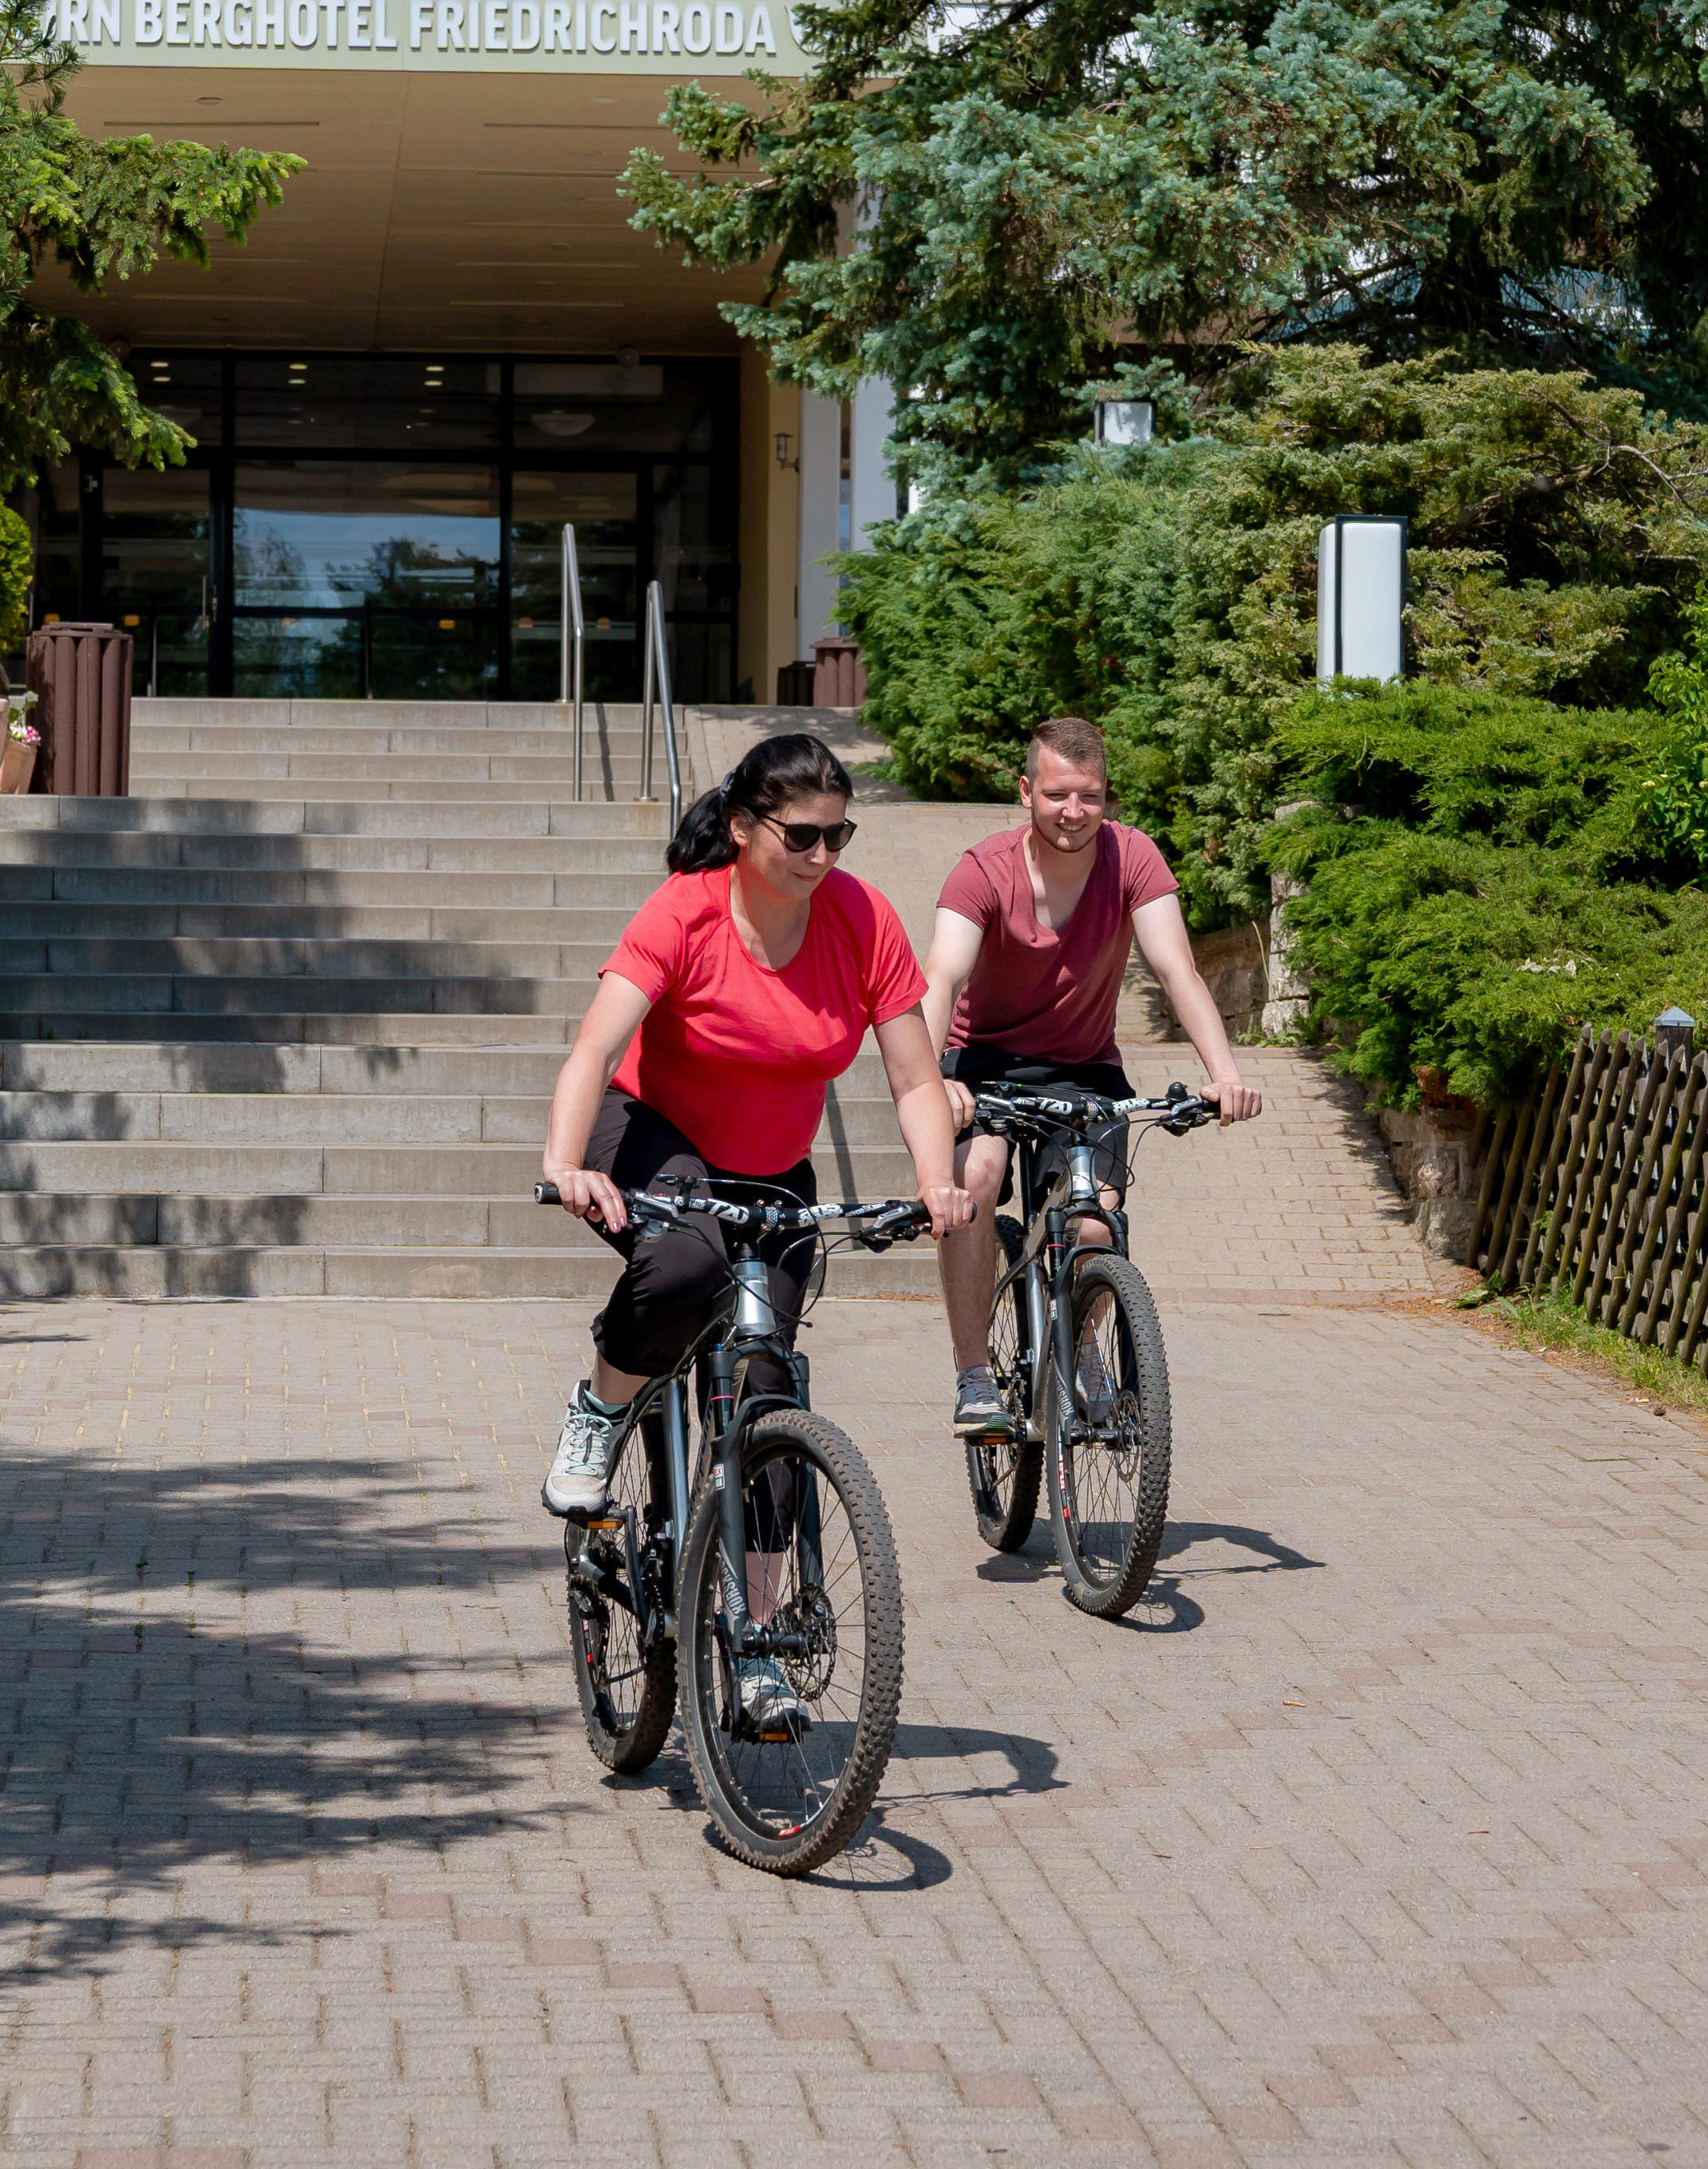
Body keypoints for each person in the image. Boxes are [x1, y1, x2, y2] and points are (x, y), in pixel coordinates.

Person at [537, 734, 972, 1703]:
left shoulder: (860, 919)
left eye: (840, 837)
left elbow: (913, 1077)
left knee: (767, 1386)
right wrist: (564, 1163)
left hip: (772, 1166)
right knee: (686, 1265)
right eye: (803, 837)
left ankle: (758, 1641)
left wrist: (938, 1183)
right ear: (743, 828)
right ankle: (602, 1410)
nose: (824, 859)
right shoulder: (686, 911)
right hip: (649, 1131)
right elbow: (592, 1048)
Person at [929, 716, 1259, 1439]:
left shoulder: (1133, 857)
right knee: (977, 1177)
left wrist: (1224, 1073)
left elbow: (1178, 968)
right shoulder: (982, 870)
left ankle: (1081, 1345)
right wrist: (931, 1082)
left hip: (1084, 1069)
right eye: (1056, 796)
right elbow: (943, 978)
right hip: (982, 1063)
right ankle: (975, 1374)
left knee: (1092, 1219)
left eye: (1089, 796)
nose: (1073, 813)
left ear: (1106, 795)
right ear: (1026, 792)